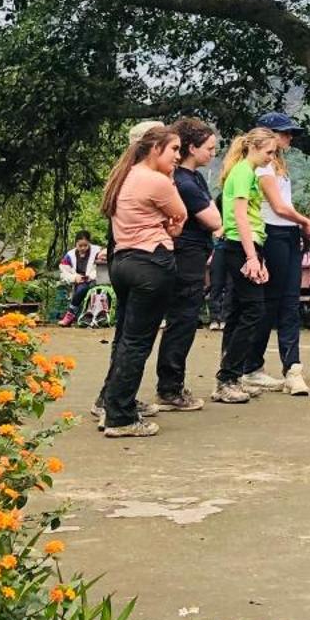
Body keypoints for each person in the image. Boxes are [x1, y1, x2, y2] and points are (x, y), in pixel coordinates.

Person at [96, 124, 187, 438]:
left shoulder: (125, 176)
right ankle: (120, 417)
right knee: (137, 343)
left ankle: (112, 403)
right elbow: (180, 215)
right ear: (155, 148)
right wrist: (169, 226)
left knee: (126, 338)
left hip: (122, 262)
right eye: (174, 149)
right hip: (151, 261)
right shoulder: (156, 181)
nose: (178, 156)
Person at [153, 117, 222, 413]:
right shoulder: (182, 181)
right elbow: (214, 220)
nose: (213, 154)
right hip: (185, 257)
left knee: (185, 320)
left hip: (197, 253)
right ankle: (169, 387)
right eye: (209, 148)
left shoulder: (195, 179)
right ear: (192, 148)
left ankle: (172, 383)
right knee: (182, 320)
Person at [254, 113, 310, 397]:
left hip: (288, 234)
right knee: (271, 302)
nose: (289, 138)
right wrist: (307, 221)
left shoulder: (280, 167)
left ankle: (292, 365)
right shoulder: (262, 170)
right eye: (284, 133)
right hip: (272, 233)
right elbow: (279, 207)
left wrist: (302, 227)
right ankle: (251, 365)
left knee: (289, 301)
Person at [211, 128, 274, 404]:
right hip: (240, 245)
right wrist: (252, 257)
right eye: (269, 152)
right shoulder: (243, 173)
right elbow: (239, 216)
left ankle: (232, 376)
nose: (272, 158)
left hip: (248, 245)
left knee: (239, 310)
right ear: (254, 148)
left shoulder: (247, 172)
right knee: (254, 309)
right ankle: (228, 377)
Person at [58, 231, 100, 326]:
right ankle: (74, 315)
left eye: (85, 245)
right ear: (75, 243)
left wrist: (90, 276)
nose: (83, 248)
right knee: (81, 287)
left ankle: (70, 314)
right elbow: (64, 272)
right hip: (78, 281)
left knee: (82, 288)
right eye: (80, 245)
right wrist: (74, 278)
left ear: (89, 243)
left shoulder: (97, 251)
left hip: (94, 280)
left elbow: (102, 268)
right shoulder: (70, 255)